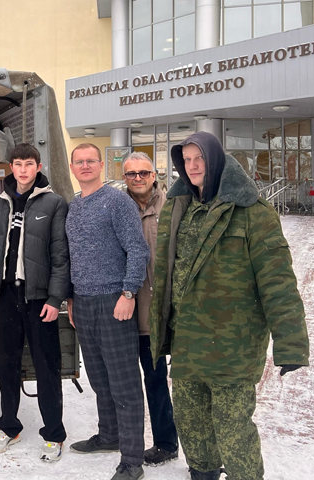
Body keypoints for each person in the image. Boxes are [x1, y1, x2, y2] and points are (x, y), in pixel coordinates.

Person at [150, 132, 310, 480]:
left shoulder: (253, 213)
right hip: (187, 340)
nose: (193, 167)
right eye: (186, 160)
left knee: (233, 429)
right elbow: (165, 273)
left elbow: (278, 281)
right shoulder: (178, 208)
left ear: (216, 160)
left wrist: (291, 342)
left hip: (233, 344)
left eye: (200, 159)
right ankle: (202, 473)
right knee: (191, 422)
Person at [0, 143, 71, 463]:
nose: (23, 170)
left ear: (38, 167)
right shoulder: (0, 204)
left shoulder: (54, 203)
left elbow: (61, 256)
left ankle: (54, 434)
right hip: (7, 295)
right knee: (6, 364)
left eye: (28, 164)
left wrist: (55, 299)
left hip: (38, 298)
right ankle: (9, 427)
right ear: (11, 167)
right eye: (17, 164)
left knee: (47, 366)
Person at [65, 143, 149, 480]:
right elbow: (73, 255)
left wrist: (129, 293)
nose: (85, 166)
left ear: (101, 165)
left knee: (124, 384)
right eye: (79, 162)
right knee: (99, 378)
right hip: (83, 302)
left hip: (114, 300)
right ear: (72, 167)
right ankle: (109, 435)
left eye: (91, 161)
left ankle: (132, 461)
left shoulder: (117, 202)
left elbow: (137, 250)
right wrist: (71, 298)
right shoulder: (73, 206)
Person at [122, 152, 179, 467]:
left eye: (143, 173)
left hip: (165, 311)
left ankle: (170, 443)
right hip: (129, 311)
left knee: (168, 380)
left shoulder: (173, 206)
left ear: (154, 176)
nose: (138, 178)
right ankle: (125, 439)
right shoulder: (119, 207)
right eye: (131, 174)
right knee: (137, 380)